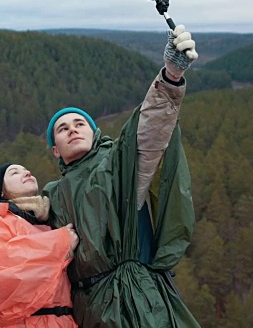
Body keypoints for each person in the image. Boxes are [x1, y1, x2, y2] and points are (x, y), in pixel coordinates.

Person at [43, 25, 201, 327]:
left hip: (136, 300)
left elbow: (148, 133)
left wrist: (170, 76)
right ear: (55, 150)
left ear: (94, 132)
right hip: (84, 309)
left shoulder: (118, 164)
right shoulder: (50, 195)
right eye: (62, 129)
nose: (72, 129)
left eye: (80, 123)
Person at [0, 163, 79, 328]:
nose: (27, 172)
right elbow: (1, 276)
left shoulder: (48, 220)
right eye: (14, 173)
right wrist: (60, 244)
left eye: (26, 170)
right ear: (0, 191)